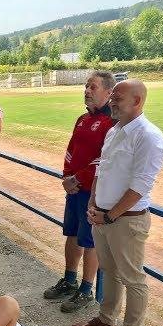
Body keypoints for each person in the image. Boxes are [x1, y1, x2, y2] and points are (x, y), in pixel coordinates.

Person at [73, 79, 163, 326]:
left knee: (133, 279)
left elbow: (140, 185)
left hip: (126, 221)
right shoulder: (115, 130)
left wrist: (110, 215)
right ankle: (107, 319)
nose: (112, 101)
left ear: (137, 101)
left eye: (118, 98)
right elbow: (103, 169)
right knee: (110, 272)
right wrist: (93, 204)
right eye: (112, 96)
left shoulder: (149, 137)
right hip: (102, 216)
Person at [44, 71, 116, 313]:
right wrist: (66, 176)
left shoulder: (112, 123)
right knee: (72, 234)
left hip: (92, 192)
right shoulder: (82, 119)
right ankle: (69, 279)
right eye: (86, 86)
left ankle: (86, 290)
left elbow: (103, 160)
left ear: (108, 92)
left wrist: (77, 178)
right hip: (73, 188)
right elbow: (71, 150)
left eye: (92, 87)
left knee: (90, 241)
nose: (86, 90)